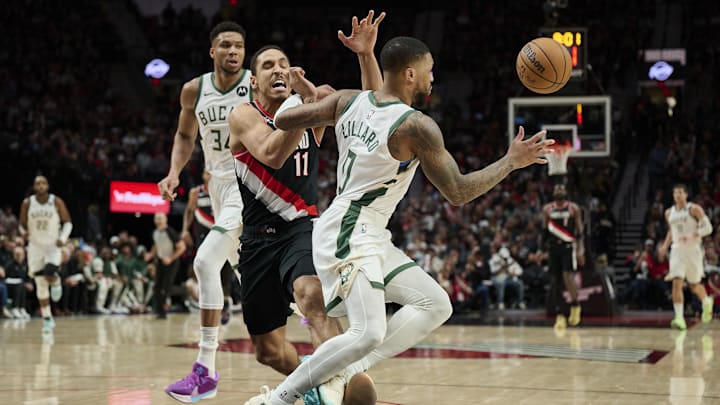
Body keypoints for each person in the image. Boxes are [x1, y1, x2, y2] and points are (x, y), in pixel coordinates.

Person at [245, 35, 552, 405]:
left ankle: (341, 369)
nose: (433, 78)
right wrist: (510, 162)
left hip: (366, 232)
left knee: (436, 303)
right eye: (429, 70)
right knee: (368, 332)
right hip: (350, 230)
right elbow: (458, 192)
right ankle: (277, 399)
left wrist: (306, 94)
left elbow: (282, 118)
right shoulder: (416, 127)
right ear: (409, 74)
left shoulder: (348, 100)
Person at [231, 11, 387, 405]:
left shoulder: (311, 106)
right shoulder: (244, 114)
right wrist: (304, 106)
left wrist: (365, 56)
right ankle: (312, 379)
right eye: (268, 66)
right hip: (255, 240)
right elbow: (271, 153)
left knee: (311, 294)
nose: (279, 69)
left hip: (303, 229)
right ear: (254, 81)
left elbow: (374, 108)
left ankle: (334, 389)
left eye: (284, 63)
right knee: (268, 351)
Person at [159, 21, 250, 402]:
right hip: (217, 186)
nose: (233, 51)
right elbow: (184, 135)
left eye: (240, 46)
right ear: (212, 51)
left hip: (250, 185)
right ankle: (315, 316)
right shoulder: (194, 90)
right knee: (253, 272)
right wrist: (174, 172)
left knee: (205, 262)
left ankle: (205, 370)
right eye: (226, 45)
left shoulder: (256, 82)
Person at [181, 170, 237, 325]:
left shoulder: (225, 191)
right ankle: (209, 311)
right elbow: (189, 211)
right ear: (203, 175)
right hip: (203, 237)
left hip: (222, 235)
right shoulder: (196, 192)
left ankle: (225, 306)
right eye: (207, 172)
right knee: (206, 272)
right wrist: (185, 230)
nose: (210, 175)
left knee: (225, 275)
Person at [18, 175, 73, 333]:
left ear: (47, 186)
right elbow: (21, 224)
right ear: (34, 187)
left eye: (43, 183)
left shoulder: (56, 201)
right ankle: (47, 319)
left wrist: (63, 238)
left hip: (52, 245)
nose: (40, 186)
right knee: (41, 286)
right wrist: (23, 233)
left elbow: (68, 222)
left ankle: (56, 281)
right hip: (35, 247)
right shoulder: (28, 203)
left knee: (49, 272)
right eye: (37, 183)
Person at [658, 183, 714, 330]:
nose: (678, 195)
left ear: (686, 194)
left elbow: (708, 228)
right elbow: (672, 231)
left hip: (693, 250)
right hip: (677, 250)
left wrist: (696, 233)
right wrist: (664, 246)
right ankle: (679, 318)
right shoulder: (669, 213)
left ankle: (706, 301)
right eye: (675, 193)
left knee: (694, 285)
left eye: (680, 192)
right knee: (677, 281)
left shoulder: (694, 209)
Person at [542, 183, 585, 329]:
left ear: (566, 191)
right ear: (553, 191)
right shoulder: (547, 209)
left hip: (568, 246)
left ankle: (575, 306)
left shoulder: (573, 208)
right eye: (556, 187)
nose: (559, 189)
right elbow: (544, 231)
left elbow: (579, 231)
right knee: (556, 281)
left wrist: (581, 249)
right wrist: (540, 250)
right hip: (553, 248)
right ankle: (559, 315)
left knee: (568, 276)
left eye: (561, 187)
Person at [145, 212, 186, 319]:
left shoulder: (170, 232)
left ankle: (170, 305)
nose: (158, 220)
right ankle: (160, 312)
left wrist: (171, 258)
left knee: (166, 288)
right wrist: (150, 255)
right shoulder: (154, 232)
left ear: (165, 220)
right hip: (160, 261)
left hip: (172, 262)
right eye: (156, 218)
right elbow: (155, 245)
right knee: (156, 287)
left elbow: (182, 247)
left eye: (160, 218)